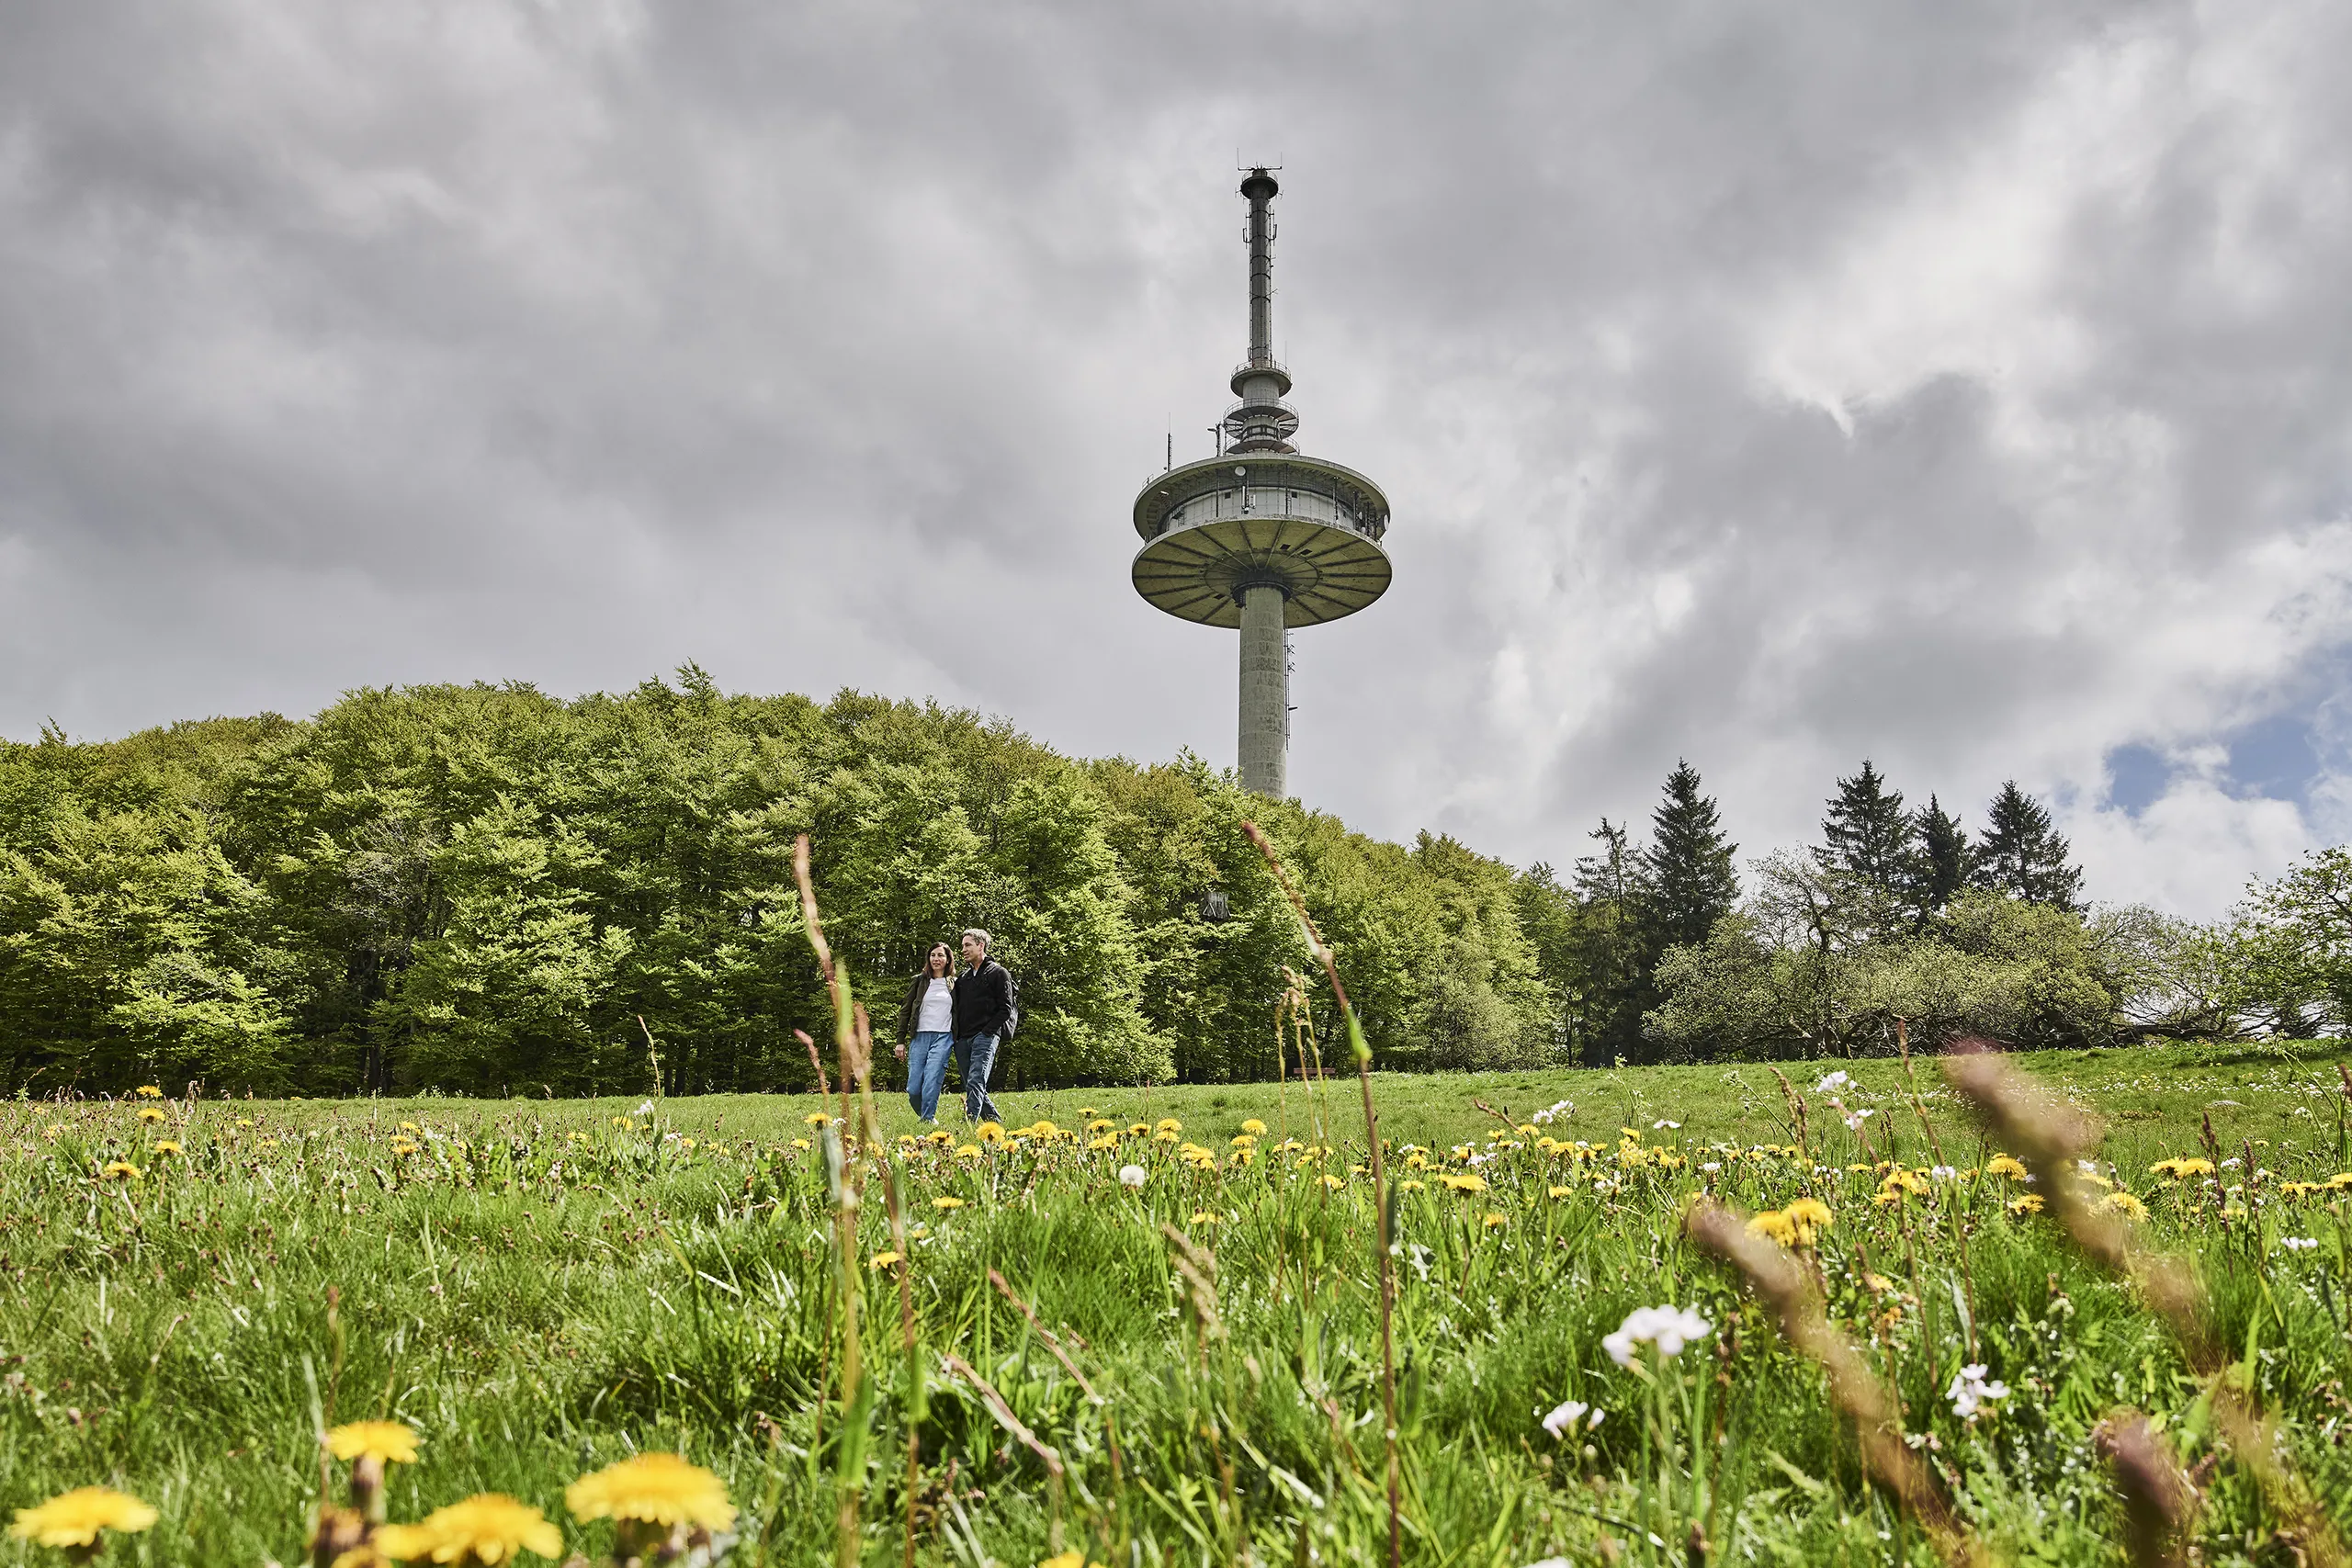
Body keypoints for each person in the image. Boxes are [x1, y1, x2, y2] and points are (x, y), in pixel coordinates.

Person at [949, 928, 1011, 1126]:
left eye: (968, 945)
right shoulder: (963, 979)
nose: (963, 950)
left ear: (980, 945)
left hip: (985, 1037)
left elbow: (1006, 1009)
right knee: (973, 1085)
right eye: (962, 946)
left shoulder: (998, 973)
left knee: (976, 1081)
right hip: (962, 1040)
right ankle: (996, 1124)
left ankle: (968, 1125)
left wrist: (987, 1032)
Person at [893, 942, 956, 1122]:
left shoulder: (954, 984)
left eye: (941, 955)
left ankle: (927, 1120)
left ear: (948, 959)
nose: (936, 959)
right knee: (913, 1088)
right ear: (928, 958)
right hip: (919, 1036)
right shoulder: (919, 981)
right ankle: (926, 1116)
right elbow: (905, 1011)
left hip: (943, 1037)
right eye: (933, 955)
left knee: (931, 1081)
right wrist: (900, 1040)